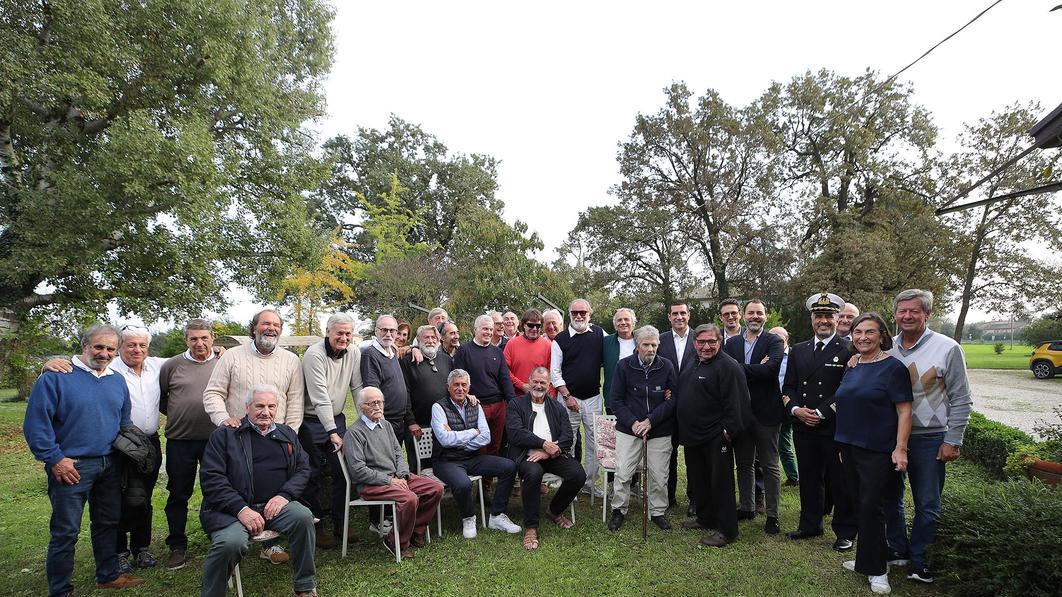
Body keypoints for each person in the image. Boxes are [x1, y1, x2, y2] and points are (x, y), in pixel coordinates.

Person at [25, 324, 146, 595]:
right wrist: (55, 459)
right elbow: (36, 425)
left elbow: (123, 418)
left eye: (110, 349)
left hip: (110, 464)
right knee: (66, 531)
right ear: (84, 346)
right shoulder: (56, 377)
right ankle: (60, 590)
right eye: (99, 347)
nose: (104, 353)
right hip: (72, 466)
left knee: (107, 523)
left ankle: (108, 574)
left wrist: (132, 447)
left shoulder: (116, 379)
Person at [884, 289, 973, 584]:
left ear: (928, 314)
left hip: (930, 438)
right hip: (891, 436)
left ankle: (919, 560)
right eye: (902, 311)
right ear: (895, 314)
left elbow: (962, 398)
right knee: (890, 497)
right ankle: (897, 549)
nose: (907, 316)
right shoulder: (887, 348)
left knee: (928, 502)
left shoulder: (948, 348)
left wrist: (953, 439)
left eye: (915, 311)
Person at [202, 307, 304, 564]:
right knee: (240, 483)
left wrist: (288, 435)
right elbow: (213, 392)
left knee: (275, 486)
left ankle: (271, 543)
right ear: (254, 328)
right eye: (265, 324)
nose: (271, 328)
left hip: (275, 436)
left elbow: (295, 400)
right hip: (238, 437)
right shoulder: (232, 357)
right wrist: (224, 420)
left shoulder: (291, 360)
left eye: (276, 325)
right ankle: (233, 532)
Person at [198, 385, 317, 597]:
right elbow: (212, 480)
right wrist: (241, 509)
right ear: (247, 408)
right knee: (230, 543)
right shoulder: (225, 435)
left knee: (303, 517)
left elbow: (303, 468)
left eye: (272, 406)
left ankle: (305, 587)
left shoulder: (286, 433)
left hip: (275, 507)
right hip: (232, 511)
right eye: (259, 406)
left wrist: (284, 496)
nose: (266, 412)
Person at [835, 313, 913, 595]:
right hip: (849, 446)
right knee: (859, 505)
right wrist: (843, 446)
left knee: (872, 507)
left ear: (882, 335)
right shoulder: (853, 365)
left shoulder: (894, 368)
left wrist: (900, 448)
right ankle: (866, 559)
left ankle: (878, 570)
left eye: (869, 332)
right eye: (858, 333)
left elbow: (904, 410)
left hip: (878, 449)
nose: (863, 337)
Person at [782, 292, 857, 552]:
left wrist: (822, 412)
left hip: (833, 425)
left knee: (840, 480)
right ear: (812, 319)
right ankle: (810, 524)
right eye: (818, 316)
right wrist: (795, 410)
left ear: (837, 318)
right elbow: (788, 385)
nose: (823, 321)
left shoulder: (849, 350)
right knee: (810, 477)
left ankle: (845, 531)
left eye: (829, 316)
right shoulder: (799, 350)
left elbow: (848, 388)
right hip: (803, 426)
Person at [342, 387, 444, 559]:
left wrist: (402, 474)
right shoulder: (354, 433)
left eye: (380, 402)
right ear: (361, 407)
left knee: (436, 488)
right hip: (371, 484)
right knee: (409, 498)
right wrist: (389, 480)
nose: (378, 406)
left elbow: (398, 453)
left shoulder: (386, 425)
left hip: (396, 477)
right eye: (372, 403)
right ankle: (396, 541)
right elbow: (358, 471)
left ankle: (415, 530)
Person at [159, 319, 223, 570]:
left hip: (215, 441)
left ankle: (216, 536)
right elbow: (163, 399)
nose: (199, 343)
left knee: (216, 491)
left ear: (212, 338)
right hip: (180, 441)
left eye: (204, 338)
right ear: (186, 340)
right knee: (178, 494)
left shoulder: (222, 361)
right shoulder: (171, 365)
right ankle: (177, 545)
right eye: (193, 338)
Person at [677, 324, 747, 547]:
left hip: (716, 436)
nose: (706, 346)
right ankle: (705, 517)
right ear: (695, 342)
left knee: (721, 483)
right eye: (701, 342)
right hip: (693, 436)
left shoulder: (728, 367)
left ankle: (727, 530)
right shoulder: (692, 360)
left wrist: (727, 433)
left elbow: (738, 404)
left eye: (712, 342)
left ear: (720, 342)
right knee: (699, 480)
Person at [430, 369, 521, 539]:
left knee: (509, 466)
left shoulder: (475, 405)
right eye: (456, 385)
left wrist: (458, 440)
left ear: (469, 387)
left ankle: (497, 516)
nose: (460, 388)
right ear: (448, 387)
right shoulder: (438, 407)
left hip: (472, 458)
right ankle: (469, 517)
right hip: (446, 461)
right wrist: (473, 431)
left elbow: (485, 437)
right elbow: (444, 440)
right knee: (463, 484)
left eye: (464, 385)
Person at [300, 313, 363, 547]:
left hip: (336, 418)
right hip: (311, 421)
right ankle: (316, 528)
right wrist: (332, 432)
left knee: (343, 471)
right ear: (328, 332)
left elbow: (357, 387)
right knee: (312, 475)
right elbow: (319, 398)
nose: (344, 338)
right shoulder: (314, 355)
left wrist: (363, 418)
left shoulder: (354, 352)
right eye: (340, 333)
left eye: (348, 333)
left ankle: (341, 523)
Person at [505, 368, 585, 549]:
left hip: (552, 454)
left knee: (578, 474)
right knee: (533, 474)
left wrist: (547, 451)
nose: (539, 385)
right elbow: (515, 433)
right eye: (536, 381)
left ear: (549, 386)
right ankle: (531, 527)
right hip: (526, 455)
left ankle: (554, 511)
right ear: (529, 380)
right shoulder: (516, 404)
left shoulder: (557, 406)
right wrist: (543, 444)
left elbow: (567, 437)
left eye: (543, 383)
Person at [723, 299, 784, 535]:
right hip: (740, 413)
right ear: (743, 316)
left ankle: (773, 515)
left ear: (765, 316)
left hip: (766, 413)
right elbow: (727, 371)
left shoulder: (773, 341)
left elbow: (770, 370)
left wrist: (739, 368)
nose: (755, 317)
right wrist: (754, 367)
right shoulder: (732, 343)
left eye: (759, 313)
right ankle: (747, 507)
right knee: (744, 463)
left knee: (769, 465)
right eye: (751, 313)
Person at [608, 325, 677, 531]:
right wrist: (634, 423)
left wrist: (650, 421)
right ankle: (618, 509)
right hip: (629, 429)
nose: (651, 349)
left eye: (654, 345)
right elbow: (616, 400)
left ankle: (657, 511)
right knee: (623, 472)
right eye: (646, 344)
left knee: (659, 474)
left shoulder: (666, 366)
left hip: (659, 429)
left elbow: (673, 400)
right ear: (637, 346)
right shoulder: (623, 366)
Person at [550, 298, 605, 496]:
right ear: (570, 314)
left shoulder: (599, 334)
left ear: (590, 314)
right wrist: (567, 396)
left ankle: (589, 483)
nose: (579, 316)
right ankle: (570, 483)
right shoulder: (560, 339)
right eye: (575, 313)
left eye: (583, 312)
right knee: (567, 441)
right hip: (568, 399)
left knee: (594, 442)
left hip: (593, 398)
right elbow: (554, 372)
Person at [454, 314, 517, 457]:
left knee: (496, 443)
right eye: (485, 329)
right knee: (480, 444)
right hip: (476, 405)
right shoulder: (464, 351)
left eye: (490, 329)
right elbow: (457, 377)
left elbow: (505, 379)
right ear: (475, 330)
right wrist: (466, 395)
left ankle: (489, 479)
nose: (488, 332)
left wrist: (512, 402)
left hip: (498, 405)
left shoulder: (497, 352)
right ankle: (480, 477)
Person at [361, 314, 417, 461]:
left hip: (399, 421)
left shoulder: (392, 353)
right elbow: (372, 393)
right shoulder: (371, 355)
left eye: (392, 331)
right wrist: (381, 424)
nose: (388, 334)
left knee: (394, 461)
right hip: (384, 422)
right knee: (384, 463)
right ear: (376, 331)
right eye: (384, 330)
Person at [659, 300, 695, 514]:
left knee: (693, 455)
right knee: (667, 453)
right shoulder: (661, 340)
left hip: (693, 405)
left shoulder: (699, 338)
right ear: (669, 317)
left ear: (689, 315)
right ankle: (668, 496)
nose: (679, 317)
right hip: (668, 404)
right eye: (675, 314)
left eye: (683, 313)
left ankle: (694, 497)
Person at [768, 326, 800, 487]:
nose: (776, 342)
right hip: (770, 404)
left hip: (789, 404)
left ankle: (794, 476)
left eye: (779, 339)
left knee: (784, 441)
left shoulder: (795, 355)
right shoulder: (767, 356)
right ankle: (792, 476)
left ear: (786, 339)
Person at [503, 308, 552, 398]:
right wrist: (521, 385)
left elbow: (551, 373)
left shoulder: (548, 346)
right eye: (530, 325)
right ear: (524, 325)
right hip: (516, 397)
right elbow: (504, 370)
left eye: (538, 326)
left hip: (540, 397)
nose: (534, 329)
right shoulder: (511, 344)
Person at [602, 307, 636, 414]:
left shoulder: (642, 340)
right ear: (615, 324)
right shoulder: (606, 342)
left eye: (626, 319)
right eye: (619, 320)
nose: (623, 323)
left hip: (638, 399)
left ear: (633, 323)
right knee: (615, 430)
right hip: (614, 399)